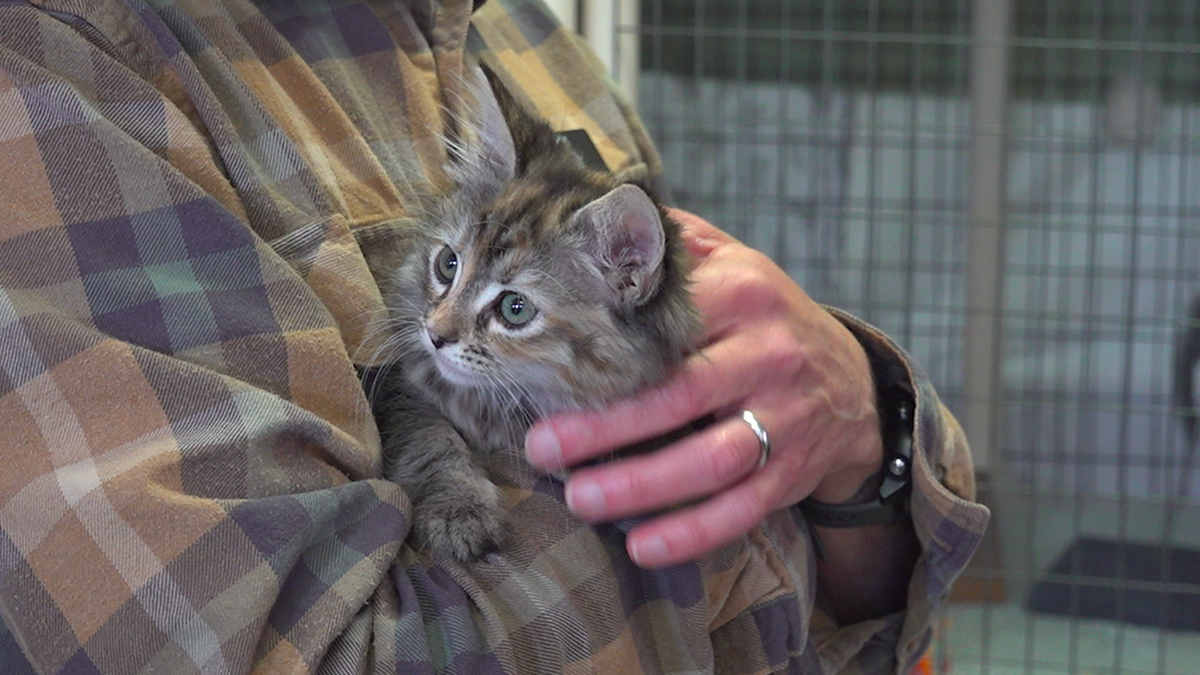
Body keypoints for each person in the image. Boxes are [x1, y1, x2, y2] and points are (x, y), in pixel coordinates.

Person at [0, 0, 988, 673]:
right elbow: (313, 650)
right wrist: (747, 514)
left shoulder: (512, 32)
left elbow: (880, 619)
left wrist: (861, 417)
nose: (433, 325)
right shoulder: (64, 64)